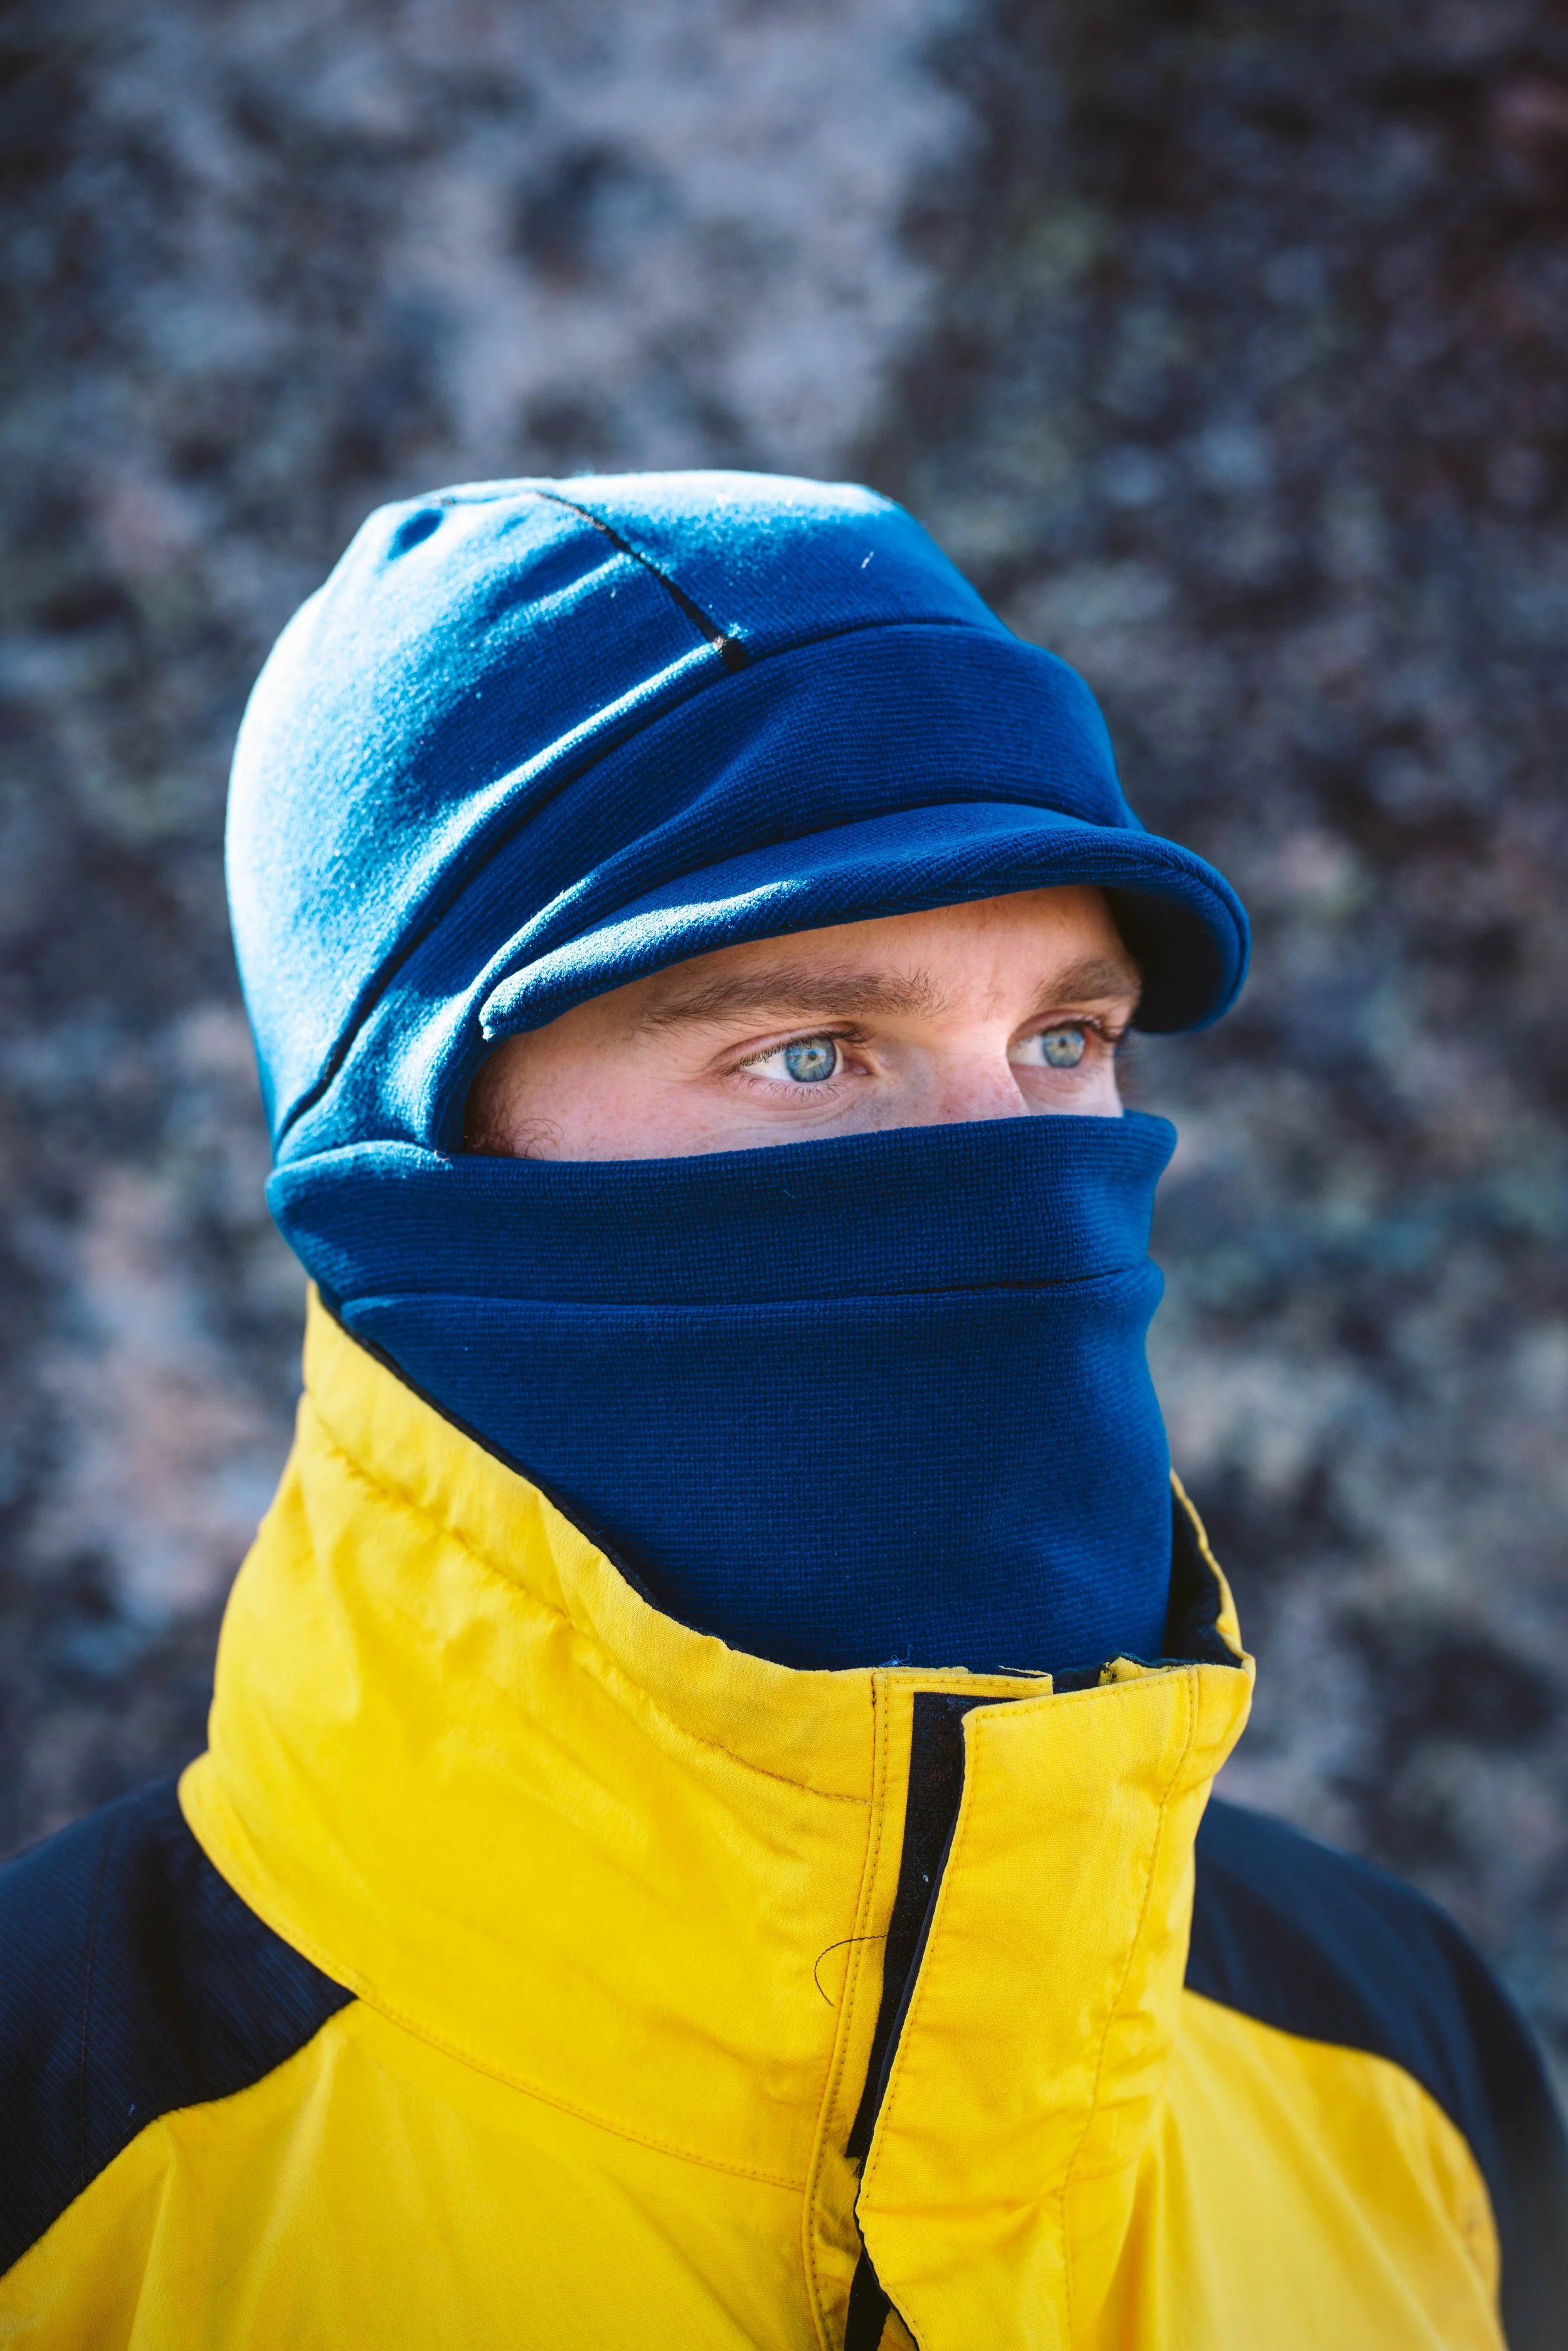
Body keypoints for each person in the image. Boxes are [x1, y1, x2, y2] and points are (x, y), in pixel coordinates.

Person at [1, 473, 1562, 2349]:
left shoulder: (1397, 2050)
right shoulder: (52, 2144)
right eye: (813, 1052)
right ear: (409, 1176)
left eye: (1063, 1040)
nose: (1012, 1177)